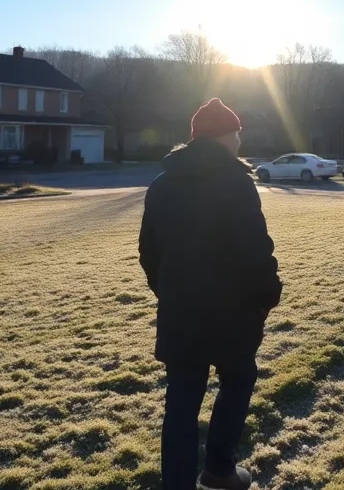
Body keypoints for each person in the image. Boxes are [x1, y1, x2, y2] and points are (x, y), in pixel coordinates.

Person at [140, 98, 283, 490]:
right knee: (238, 382)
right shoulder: (236, 181)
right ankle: (219, 471)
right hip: (233, 313)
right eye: (237, 133)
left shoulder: (161, 185)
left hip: (180, 313)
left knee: (181, 403)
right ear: (223, 136)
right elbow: (255, 247)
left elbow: (149, 253)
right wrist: (268, 295)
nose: (240, 140)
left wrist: (169, 292)